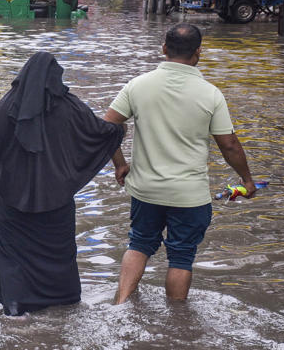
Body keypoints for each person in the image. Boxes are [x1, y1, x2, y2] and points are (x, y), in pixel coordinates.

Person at [103, 23, 255, 304]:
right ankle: (177, 325)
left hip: (146, 190)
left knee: (138, 245)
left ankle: (120, 304)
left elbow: (106, 128)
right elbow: (229, 145)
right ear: (199, 52)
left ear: (164, 49)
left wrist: (120, 164)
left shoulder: (137, 85)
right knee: (182, 256)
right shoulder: (210, 94)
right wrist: (247, 180)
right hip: (189, 195)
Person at [0, 52, 125, 316]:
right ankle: (64, 305)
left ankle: (15, 308)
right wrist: (119, 131)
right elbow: (98, 133)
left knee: (14, 257)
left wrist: (3, 174)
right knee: (58, 255)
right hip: (56, 198)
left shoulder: (7, 105)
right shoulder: (70, 106)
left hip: (13, 199)